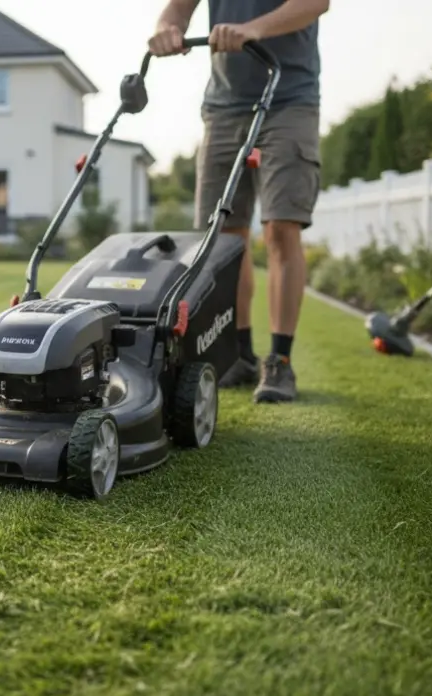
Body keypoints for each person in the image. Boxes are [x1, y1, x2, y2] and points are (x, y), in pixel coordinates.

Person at [149, 0, 329, 403]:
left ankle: (280, 361)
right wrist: (167, 29)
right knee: (224, 240)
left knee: (281, 228)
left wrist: (253, 29)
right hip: (223, 108)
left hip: (288, 100)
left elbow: (316, 3)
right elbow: (177, 10)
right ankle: (239, 353)